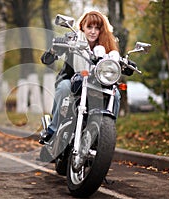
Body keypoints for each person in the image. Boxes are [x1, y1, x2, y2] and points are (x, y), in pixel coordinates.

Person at [39, 10, 120, 144]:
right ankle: (53, 130)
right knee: (64, 87)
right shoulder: (72, 39)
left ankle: (107, 133)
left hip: (98, 83)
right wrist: (55, 48)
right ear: (82, 27)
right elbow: (46, 60)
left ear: (102, 30)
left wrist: (125, 63)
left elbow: (116, 60)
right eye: (89, 27)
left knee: (115, 94)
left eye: (97, 28)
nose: (93, 31)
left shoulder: (108, 44)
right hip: (73, 80)